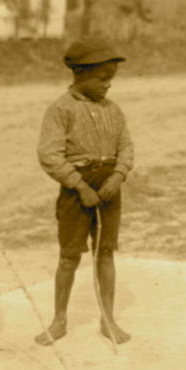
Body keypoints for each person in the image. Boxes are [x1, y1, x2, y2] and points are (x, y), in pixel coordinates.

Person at [35, 35, 134, 346]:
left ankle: (108, 319)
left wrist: (118, 175)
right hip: (77, 191)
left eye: (112, 80)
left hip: (109, 189)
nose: (108, 86)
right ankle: (59, 320)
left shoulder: (114, 110)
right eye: (103, 78)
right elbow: (49, 155)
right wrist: (79, 185)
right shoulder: (60, 110)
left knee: (105, 254)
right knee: (68, 257)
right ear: (80, 74)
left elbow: (126, 146)